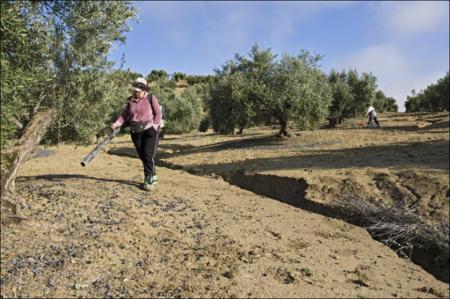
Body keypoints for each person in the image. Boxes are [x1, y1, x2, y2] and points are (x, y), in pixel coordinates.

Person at [111, 78, 162, 191]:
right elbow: (124, 115)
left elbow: (158, 113)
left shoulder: (151, 98)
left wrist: (155, 126)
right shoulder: (130, 100)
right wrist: (116, 123)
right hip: (135, 132)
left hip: (150, 130)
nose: (135, 93)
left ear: (144, 90)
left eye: (138, 91)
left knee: (148, 155)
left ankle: (150, 179)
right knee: (143, 155)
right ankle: (151, 174)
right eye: (134, 91)